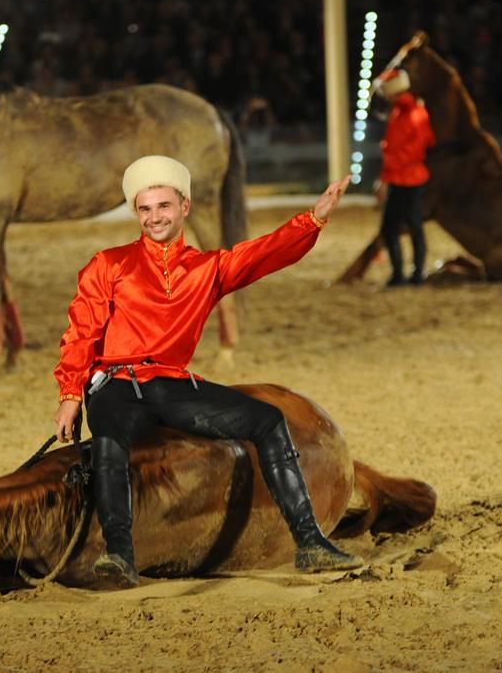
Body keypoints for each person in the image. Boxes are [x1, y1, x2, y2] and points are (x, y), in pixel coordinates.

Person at [53, 156, 360, 588]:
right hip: (116, 384)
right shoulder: (108, 264)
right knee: (109, 439)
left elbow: (264, 254)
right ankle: (119, 553)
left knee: (268, 419)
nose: (154, 217)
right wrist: (70, 394)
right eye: (145, 209)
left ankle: (309, 543)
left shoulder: (207, 268)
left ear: (184, 207)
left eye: (163, 206)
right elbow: (81, 330)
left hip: (173, 385)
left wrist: (312, 220)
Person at [374, 68, 435, 287]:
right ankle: (406, 273)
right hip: (402, 178)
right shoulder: (402, 112)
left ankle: (412, 274)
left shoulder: (412, 114)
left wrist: (386, 171)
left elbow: (411, 150)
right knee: (404, 226)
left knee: (405, 226)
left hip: (408, 180)